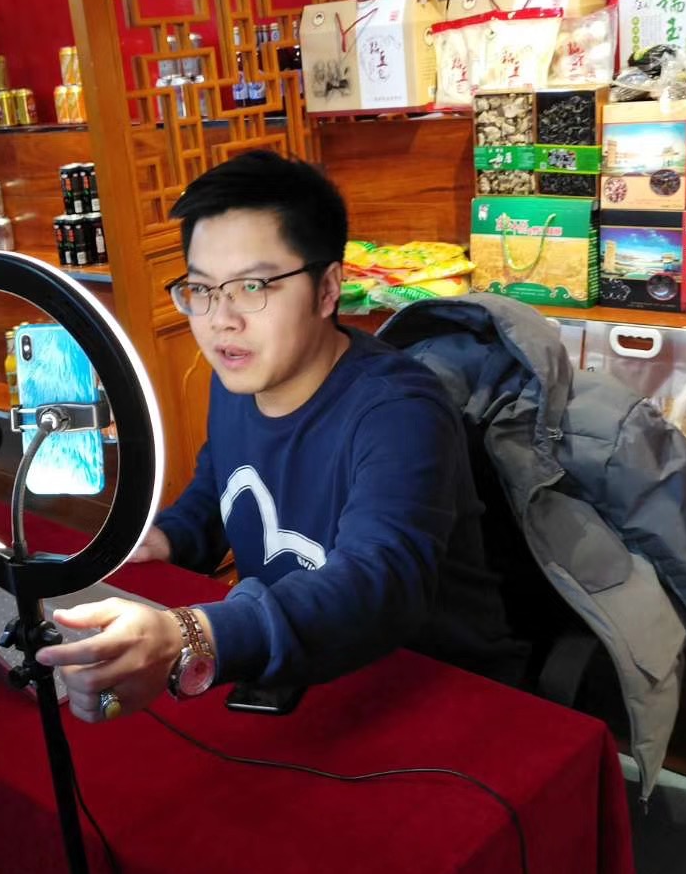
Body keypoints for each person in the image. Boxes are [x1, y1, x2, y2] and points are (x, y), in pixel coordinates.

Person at [37, 150, 521, 722]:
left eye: (253, 286)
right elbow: (223, 483)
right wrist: (169, 538)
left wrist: (195, 634)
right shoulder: (239, 377)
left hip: (435, 692)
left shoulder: (400, 412)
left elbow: (378, 580)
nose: (221, 319)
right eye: (202, 289)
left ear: (327, 289)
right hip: (302, 677)